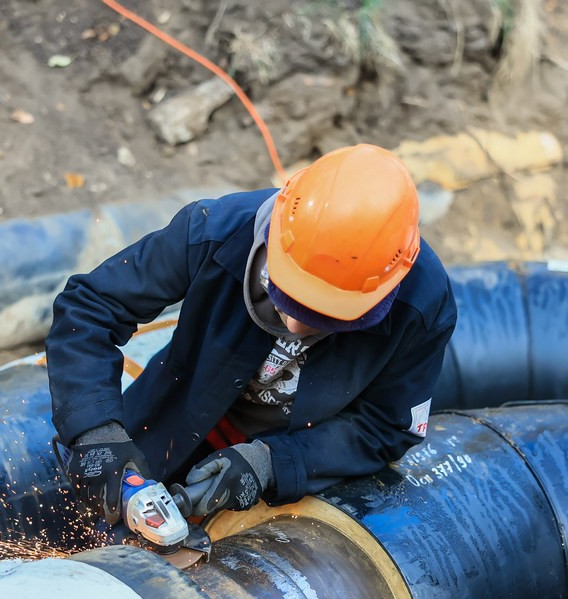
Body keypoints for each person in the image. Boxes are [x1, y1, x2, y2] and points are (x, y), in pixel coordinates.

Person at [45, 144, 457, 526]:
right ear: (276, 238)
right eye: (285, 299)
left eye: (325, 316)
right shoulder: (217, 230)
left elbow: (386, 427)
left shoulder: (422, 306)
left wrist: (272, 464)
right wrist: (95, 430)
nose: (294, 327)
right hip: (168, 417)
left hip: (292, 468)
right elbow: (91, 305)